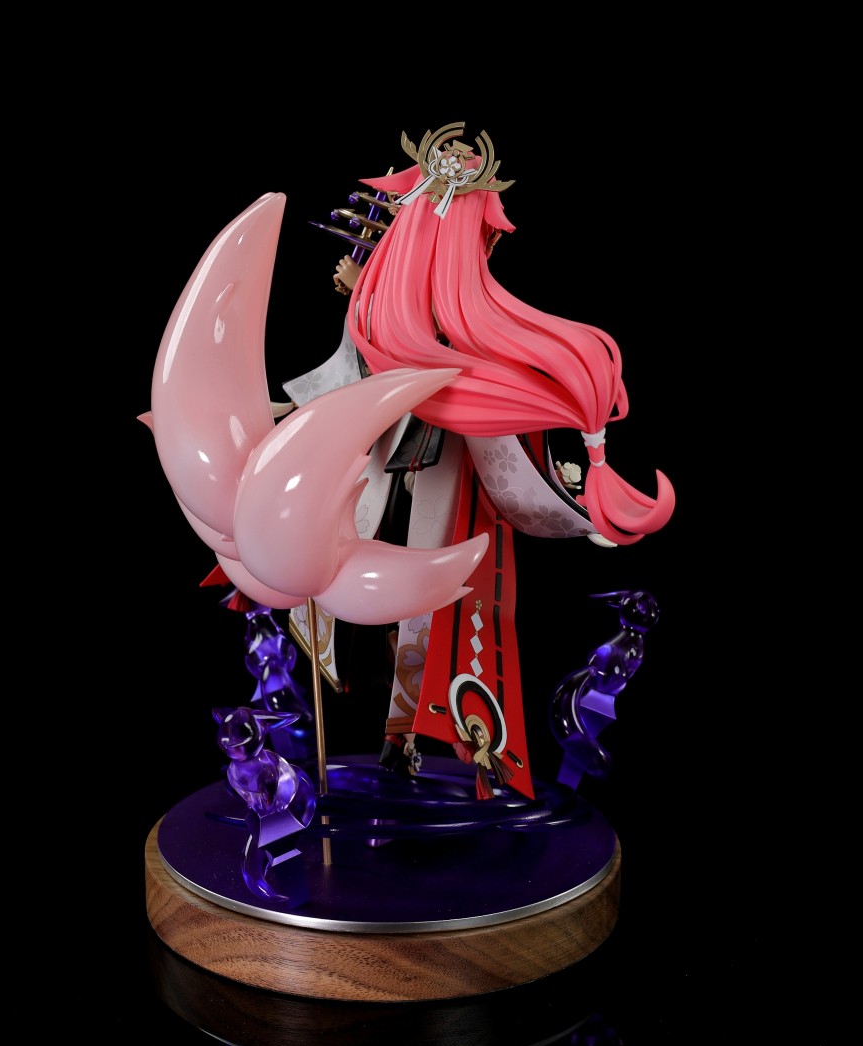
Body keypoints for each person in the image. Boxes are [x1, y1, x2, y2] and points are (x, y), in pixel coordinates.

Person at [280, 125, 676, 793]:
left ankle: (406, 734)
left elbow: (453, 365)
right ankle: (398, 729)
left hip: (447, 474)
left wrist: (572, 496)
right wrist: (365, 298)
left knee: (436, 610)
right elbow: (364, 369)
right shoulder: (391, 304)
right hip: (383, 464)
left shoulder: (466, 316)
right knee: (363, 585)